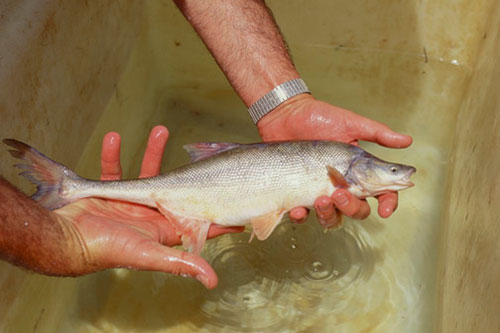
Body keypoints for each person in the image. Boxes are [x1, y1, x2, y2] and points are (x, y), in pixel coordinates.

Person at [0, 1, 412, 288]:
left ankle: (71, 188)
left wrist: (284, 104)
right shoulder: (343, 167)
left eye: (394, 171)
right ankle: (70, 188)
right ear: (360, 169)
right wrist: (56, 242)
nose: (400, 175)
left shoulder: (345, 170)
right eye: (393, 171)